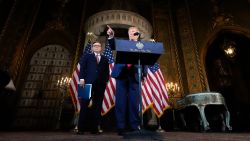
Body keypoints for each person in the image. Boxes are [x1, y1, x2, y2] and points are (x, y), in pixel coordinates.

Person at [107, 25, 147, 135]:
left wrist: (144, 75)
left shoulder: (142, 46)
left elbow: (145, 61)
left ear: (137, 34)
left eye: (134, 31)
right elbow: (113, 45)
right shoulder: (122, 43)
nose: (131, 33)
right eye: (130, 31)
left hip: (135, 74)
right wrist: (111, 36)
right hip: (122, 74)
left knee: (134, 102)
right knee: (120, 101)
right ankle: (121, 126)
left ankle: (134, 126)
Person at [77, 41, 109, 134]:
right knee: (84, 105)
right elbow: (82, 68)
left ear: (101, 48)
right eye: (95, 45)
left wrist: (106, 80)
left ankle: (94, 129)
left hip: (100, 84)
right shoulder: (87, 56)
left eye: (99, 45)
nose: (97, 47)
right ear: (92, 47)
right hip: (86, 83)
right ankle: (80, 129)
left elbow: (107, 71)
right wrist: (81, 79)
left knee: (98, 106)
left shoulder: (105, 59)